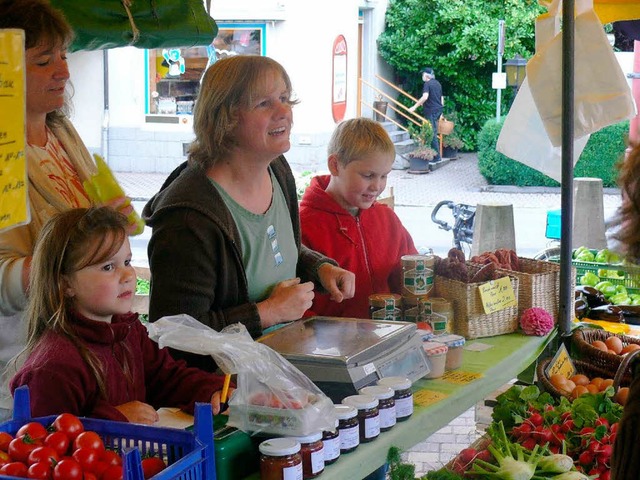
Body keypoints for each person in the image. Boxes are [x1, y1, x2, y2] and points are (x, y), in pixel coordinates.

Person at [142, 55, 355, 371]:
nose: (284, 112)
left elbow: (274, 252)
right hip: (221, 395)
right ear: (225, 119)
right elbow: (175, 337)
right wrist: (268, 312)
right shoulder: (188, 218)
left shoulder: (276, 170)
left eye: (284, 98)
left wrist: (319, 269)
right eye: (264, 104)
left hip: (280, 371)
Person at [0, 0, 135, 419]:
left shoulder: (64, 133)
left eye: (63, 55)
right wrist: (73, 264)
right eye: (43, 61)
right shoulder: (5, 155)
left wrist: (113, 227)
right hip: (27, 371)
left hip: (87, 356)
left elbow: (108, 225)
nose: (64, 71)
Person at [9, 207, 228, 423]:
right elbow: (45, 443)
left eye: (127, 262)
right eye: (107, 267)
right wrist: (114, 419)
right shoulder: (52, 368)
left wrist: (209, 390)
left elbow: (166, 378)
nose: (127, 275)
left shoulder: (128, 330)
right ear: (65, 283)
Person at [299, 117, 418, 319]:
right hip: (330, 345)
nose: (377, 186)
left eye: (384, 176)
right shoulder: (303, 226)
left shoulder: (387, 219)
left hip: (387, 337)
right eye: (368, 175)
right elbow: (296, 306)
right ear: (335, 165)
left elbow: (410, 278)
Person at [408, 67, 444, 162]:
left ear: (427, 75)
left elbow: (425, 97)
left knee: (432, 133)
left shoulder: (427, 84)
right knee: (433, 131)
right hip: (438, 109)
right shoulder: (437, 83)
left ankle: (436, 157)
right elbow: (441, 98)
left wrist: (414, 107)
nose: (422, 76)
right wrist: (442, 112)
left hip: (431, 110)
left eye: (423, 74)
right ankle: (434, 154)